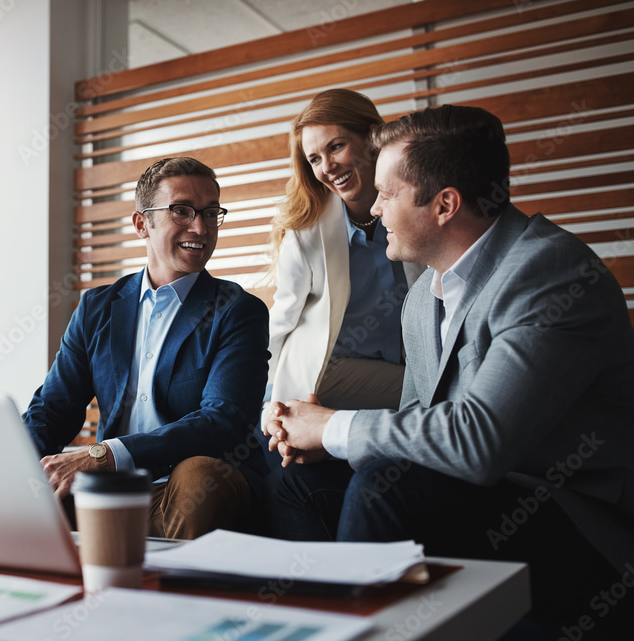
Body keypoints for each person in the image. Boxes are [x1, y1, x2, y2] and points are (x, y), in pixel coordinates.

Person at [265, 104, 634, 634]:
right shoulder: (423, 299)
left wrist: (331, 425)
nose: (376, 210)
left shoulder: (549, 274)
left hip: (576, 521)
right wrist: (313, 438)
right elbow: (417, 425)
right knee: (293, 474)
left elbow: (480, 441)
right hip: (473, 496)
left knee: (383, 489)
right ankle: (329, 626)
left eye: (387, 194)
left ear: (444, 205)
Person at [24, 157, 270, 540]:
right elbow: (53, 411)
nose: (200, 227)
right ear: (142, 223)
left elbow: (224, 420)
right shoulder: (97, 308)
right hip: (111, 492)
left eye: (209, 213)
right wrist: (6, 466)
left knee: (199, 475)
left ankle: (170, 596)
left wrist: (105, 456)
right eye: (182, 211)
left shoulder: (238, 311)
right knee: (29, 487)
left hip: (190, 489)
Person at [266, 89, 424, 424]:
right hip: (330, 371)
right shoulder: (305, 230)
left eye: (336, 146)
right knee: (436, 393)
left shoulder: (415, 205)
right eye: (315, 159)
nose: (327, 167)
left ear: (372, 138)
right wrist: (268, 398)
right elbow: (284, 318)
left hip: (402, 363)